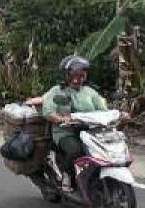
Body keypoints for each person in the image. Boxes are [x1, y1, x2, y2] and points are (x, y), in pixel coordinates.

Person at [41, 55, 113, 191]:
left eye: (81, 75)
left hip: (90, 131)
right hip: (65, 132)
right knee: (76, 151)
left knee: (104, 151)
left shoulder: (90, 92)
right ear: (66, 75)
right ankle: (66, 175)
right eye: (74, 74)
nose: (77, 78)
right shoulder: (56, 91)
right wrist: (62, 119)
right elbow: (48, 112)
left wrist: (118, 115)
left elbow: (103, 110)